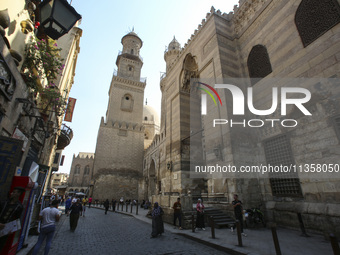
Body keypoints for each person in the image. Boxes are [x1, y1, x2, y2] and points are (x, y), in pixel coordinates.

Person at [0, 187, 25, 252]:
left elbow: (16, 220)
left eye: (14, 192)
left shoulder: (19, 206)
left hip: (4, 230)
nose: (12, 193)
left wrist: (11, 229)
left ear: (19, 194)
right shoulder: (4, 203)